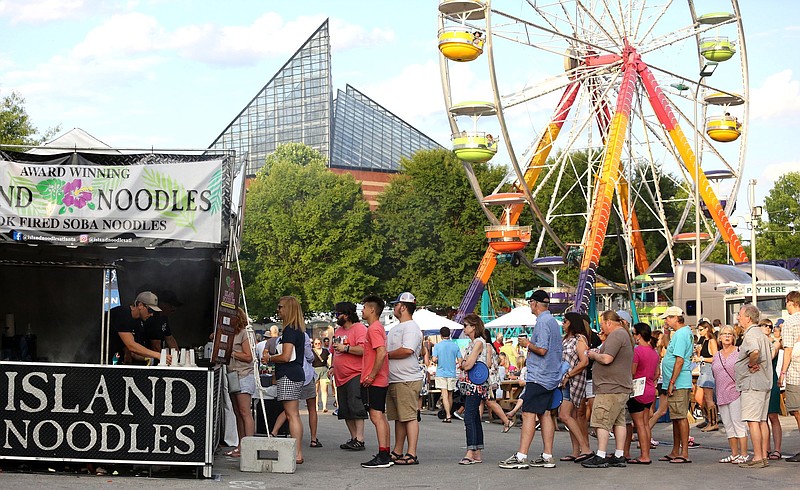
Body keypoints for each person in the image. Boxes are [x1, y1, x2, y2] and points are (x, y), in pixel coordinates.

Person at [499, 290, 562, 470]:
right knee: (546, 413)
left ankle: (521, 456)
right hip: (551, 374)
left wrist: (527, 345)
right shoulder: (552, 321)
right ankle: (547, 455)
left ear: (534, 303)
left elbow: (542, 349)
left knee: (528, 413)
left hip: (539, 375)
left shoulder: (542, 322)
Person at [580, 311, 633, 469]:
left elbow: (607, 358)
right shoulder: (624, 335)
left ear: (609, 322)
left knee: (601, 420)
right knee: (619, 421)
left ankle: (601, 454)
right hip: (619, 386)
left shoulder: (616, 336)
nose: (601, 328)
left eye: (602, 324)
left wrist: (593, 355)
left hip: (610, 387)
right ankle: (619, 454)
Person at [262, 296, 306, 465]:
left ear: (288, 308)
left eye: (280, 307)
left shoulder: (290, 330)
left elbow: (287, 356)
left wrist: (270, 359)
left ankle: (298, 453)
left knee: (292, 414)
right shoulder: (295, 329)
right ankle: (298, 452)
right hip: (292, 373)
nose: (278, 310)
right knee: (291, 414)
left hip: (289, 373)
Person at [386, 292, 424, 466]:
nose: (394, 308)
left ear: (402, 307)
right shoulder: (396, 328)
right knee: (399, 417)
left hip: (407, 378)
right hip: (395, 379)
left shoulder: (411, 327)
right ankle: (397, 450)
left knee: (409, 417)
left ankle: (412, 453)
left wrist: (385, 356)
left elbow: (407, 350)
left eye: (395, 305)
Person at [735, 303, 773, 468]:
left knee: (752, 421)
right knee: (762, 420)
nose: (738, 318)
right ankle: (763, 455)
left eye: (740, 315)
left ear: (748, 318)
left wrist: (752, 363)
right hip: (764, 382)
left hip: (753, 383)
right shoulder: (762, 334)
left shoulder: (750, 334)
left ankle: (758, 456)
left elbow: (755, 352)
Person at [330, 302, 368, 451]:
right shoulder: (338, 331)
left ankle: (360, 438)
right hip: (340, 376)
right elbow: (334, 352)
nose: (336, 316)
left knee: (355, 405)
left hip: (355, 373)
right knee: (344, 409)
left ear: (346, 315)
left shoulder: (359, 329)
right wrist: (333, 366)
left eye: (338, 314)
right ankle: (353, 437)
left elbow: (364, 349)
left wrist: (346, 348)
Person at [271, 330, 321, 448]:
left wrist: (269, 359)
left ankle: (274, 431)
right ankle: (313, 439)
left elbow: (282, 356)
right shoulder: (303, 335)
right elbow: (309, 356)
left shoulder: (281, 338)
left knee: (290, 410)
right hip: (305, 374)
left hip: (289, 375)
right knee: (311, 408)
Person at [360, 295, 393, 469]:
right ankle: (385, 452)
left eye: (364, 307)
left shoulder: (373, 329)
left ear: (372, 309)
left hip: (376, 380)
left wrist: (372, 375)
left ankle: (383, 456)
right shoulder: (376, 328)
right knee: (380, 416)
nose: (362, 310)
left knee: (376, 416)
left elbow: (381, 352)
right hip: (378, 379)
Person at [658, 306, 694, 464]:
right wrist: (666, 332)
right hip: (676, 381)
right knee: (676, 417)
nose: (666, 321)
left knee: (680, 417)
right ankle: (675, 450)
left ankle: (684, 452)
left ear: (675, 318)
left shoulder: (681, 334)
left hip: (678, 382)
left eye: (668, 318)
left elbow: (679, 361)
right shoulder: (680, 333)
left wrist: (672, 382)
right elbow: (667, 346)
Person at [712, 325, 749, 464]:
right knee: (727, 425)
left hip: (736, 392)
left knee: (738, 423)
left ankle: (744, 454)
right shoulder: (717, 355)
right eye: (724, 334)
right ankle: (734, 453)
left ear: (734, 337)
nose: (727, 336)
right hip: (721, 393)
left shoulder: (739, 352)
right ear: (719, 337)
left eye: (730, 334)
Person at [558, 312, 592, 462]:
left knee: (564, 415)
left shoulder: (579, 339)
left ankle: (585, 448)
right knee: (570, 416)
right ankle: (576, 450)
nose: (563, 324)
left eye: (565, 321)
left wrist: (569, 375)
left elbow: (584, 361)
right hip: (565, 380)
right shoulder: (566, 339)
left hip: (573, 381)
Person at [457, 313, 489, 464]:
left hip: (475, 385)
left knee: (469, 416)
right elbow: (464, 362)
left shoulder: (478, 343)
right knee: (474, 416)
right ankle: (477, 452)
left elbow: (467, 364)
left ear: (473, 327)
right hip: (471, 385)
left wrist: (464, 364)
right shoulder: (473, 343)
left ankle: (470, 451)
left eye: (466, 325)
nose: (464, 328)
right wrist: (464, 363)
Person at [624, 322, 659, 464]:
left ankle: (644, 455)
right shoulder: (654, 352)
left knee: (639, 425)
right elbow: (657, 373)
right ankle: (646, 453)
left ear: (638, 335)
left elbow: (632, 371)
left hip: (638, 389)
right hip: (650, 389)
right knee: (645, 424)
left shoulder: (637, 351)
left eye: (634, 333)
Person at [224, 307, 255, 458]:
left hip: (243, 375)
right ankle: (241, 445)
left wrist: (231, 352)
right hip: (232, 375)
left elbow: (248, 356)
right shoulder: (230, 334)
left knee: (245, 412)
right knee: (237, 412)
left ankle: (248, 445)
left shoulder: (244, 333)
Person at [109, 291, 169, 365]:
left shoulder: (137, 321)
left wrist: (148, 358)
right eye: (150, 310)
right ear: (140, 305)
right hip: (98, 357)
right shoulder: (122, 314)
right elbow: (131, 346)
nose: (152, 314)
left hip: (115, 360)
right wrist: (158, 355)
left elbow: (133, 350)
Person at [778, 290, 800, 462]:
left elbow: (788, 350)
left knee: (797, 411)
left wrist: (782, 373)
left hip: (795, 373)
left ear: (790, 302)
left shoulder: (790, 322)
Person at [760, 319, 783, 460]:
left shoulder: (774, 342)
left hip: (772, 379)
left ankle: (777, 449)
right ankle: (766, 448)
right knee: (762, 417)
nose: (768, 328)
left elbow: (770, 356)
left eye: (770, 326)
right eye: (764, 326)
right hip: (759, 381)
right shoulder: (758, 342)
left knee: (773, 416)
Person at [432, 326, 461, 423]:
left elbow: (434, 359)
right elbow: (460, 360)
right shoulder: (455, 346)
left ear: (441, 335)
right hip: (452, 372)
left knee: (444, 394)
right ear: (449, 334)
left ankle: (448, 415)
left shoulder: (437, 346)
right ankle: (449, 413)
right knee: (450, 394)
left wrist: (438, 361)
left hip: (441, 372)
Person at [695, 319, 719, 432]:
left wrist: (702, 358)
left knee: (709, 398)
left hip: (708, 370)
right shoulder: (703, 340)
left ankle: (713, 422)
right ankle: (708, 419)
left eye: (701, 330)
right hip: (703, 369)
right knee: (699, 397)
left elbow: (715, 357)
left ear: (706, 329)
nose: (699, 332)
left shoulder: (711, 341)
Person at [312, 338, 331, 412]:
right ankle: (316, 406)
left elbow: (329, 360)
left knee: (324, 389)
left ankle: (324, 406)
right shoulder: (311, 351)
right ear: (313, 344)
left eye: (319, 343)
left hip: (324, 370)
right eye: (316, 344)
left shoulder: (325, 351)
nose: (317, 345)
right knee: (315, 390)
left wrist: (330, 368)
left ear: (321, 343)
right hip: (315, 370)